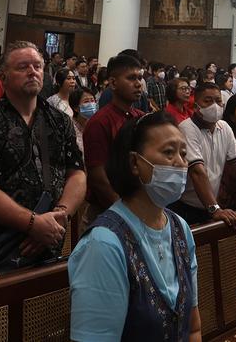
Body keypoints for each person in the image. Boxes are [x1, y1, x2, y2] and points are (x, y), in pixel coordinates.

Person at [69, 111, 201, 341]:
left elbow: (193, 327)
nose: (181, 163)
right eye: (168, 152)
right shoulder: (103, 245)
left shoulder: (180, 228)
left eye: (183, 153)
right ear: (134, 163)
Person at [0, 41, 86, 272]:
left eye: (37, 66)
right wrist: (33, 224)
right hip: (2, 247)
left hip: (53, 238)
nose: (32, 71)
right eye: (23, 67)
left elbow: (77, 174)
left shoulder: (60, 120)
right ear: (3, 76)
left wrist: (59, 216)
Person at [171, 81, 236, 227]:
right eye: (208, 101)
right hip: (186, 207)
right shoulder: (187, 128)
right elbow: (197, 172)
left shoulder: (224, 127)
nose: (214, 106)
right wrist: (215, 209)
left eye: (218, 101)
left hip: (210, 204)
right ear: (196, 107)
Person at [84, 54, 148, 217]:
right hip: (108, 210)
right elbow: (98, 177)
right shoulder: (100, 122)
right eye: (131, 78)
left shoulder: (141, 117)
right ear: (113, 83)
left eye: (140, 78)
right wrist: (124, 212)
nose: (138, 84)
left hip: (138, 204)